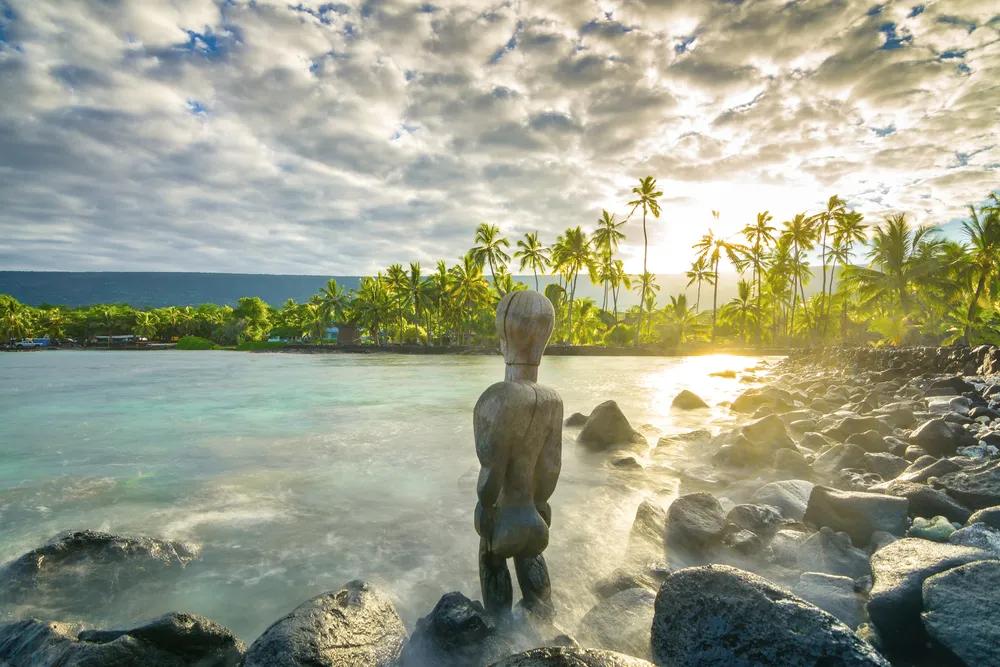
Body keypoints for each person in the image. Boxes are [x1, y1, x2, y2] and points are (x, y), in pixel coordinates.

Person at [473, 290, 563, 620]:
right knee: (535, 579)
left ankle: (497, 634)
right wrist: (538, 505)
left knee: (491, 556)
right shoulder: (554, 401)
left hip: (504, 525)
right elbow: (551, 469)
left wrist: (486, 509)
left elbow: (489, 476)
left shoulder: (496, 399)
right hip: (535, 522)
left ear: (503, 338)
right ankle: (544, 630)